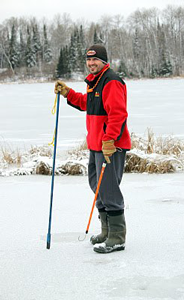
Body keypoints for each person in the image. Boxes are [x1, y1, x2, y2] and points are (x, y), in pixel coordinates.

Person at [54, 44, 131, 253]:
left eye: (95, 59)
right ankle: (106, 231)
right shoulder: (95, 82)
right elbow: (87, 103)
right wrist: (68, 93)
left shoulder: (112, 81)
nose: (91, 63)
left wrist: (110, 140)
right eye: (88, 60)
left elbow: (118, 114)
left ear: (104, 61)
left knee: (109, 189)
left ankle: (117, 237)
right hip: (96, 145)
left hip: (110, 146)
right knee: (96, 187)